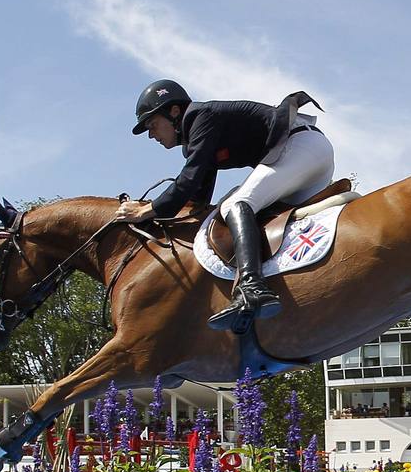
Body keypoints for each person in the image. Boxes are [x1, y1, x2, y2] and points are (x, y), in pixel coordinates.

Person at [116, 79, 334, 333]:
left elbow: (187, 181)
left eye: (152, 125)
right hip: (311, 156)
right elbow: (198, 200)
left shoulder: (200, 117)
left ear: (174, 112)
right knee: (248, 212)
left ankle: (252, 286)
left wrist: (146, 210)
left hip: (300, 147)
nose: (152, 135)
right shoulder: (194, 139)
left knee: (235, 204)